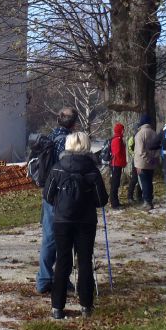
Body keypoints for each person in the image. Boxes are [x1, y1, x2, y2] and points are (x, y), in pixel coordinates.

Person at [47, 131, 106, 320]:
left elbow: (47, 195)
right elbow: (101, 199)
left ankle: (57, 307)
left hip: (62, 221)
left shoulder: (58, 167)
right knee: (84, 262)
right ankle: (86, 305)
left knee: (63, 261)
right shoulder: (92, 169)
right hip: (86, 221)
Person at [36, 106, 78, 294]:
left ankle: (44, 279)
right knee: (64, 236)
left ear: (58, 119)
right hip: (63, 195)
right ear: (74, 122)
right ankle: (59, 278)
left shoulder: (49, 137)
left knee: (49, 237)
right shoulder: (67, 141)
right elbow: (67, 169)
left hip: (48, 192)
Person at [133, 114, 159, 210]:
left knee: (144, 183)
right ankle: (149, 200)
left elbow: (140, 151)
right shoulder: (154, 133)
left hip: (142, 163)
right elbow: (157, 149)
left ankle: (147, 202)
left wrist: (147, 160)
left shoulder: (139, 134)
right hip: (152, 162)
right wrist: (153, 159)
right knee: (149, 181)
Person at [108, 122, 126, 209]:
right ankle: (114, 204)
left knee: (116, 184)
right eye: (123, 130)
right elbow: (117, 153)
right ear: (120, 130)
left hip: (116, 164)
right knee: (115, 184)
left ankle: (115, 202)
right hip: (116, 164)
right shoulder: (117, 139)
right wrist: (123, 162)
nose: (124, 131)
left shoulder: (117, 138)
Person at [125, 131, 141, 204]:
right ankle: (130, 196)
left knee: (141, 179)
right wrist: (135, 155)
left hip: (141, 160)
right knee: (134, 179)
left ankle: (139, 196)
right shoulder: (133, 138)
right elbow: (130, 148)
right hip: (136, 160)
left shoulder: (140, 136)